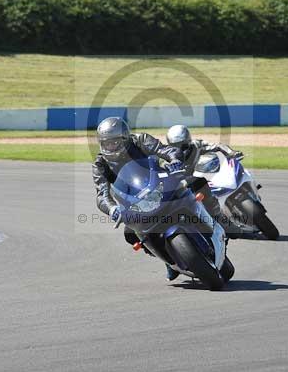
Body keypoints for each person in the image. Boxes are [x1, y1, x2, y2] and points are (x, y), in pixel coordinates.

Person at [92, 117, 185, 280]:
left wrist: (175, 160)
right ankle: (168, 261)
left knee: (194, 184)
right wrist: (112, 208)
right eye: (106, 143)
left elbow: (165, 150)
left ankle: (217, 219)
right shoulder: (100, 164)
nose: (110, 146)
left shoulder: (141, 140)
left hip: (161, 184)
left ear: (125, 138)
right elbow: (102, 194)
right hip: (135, 202)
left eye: (114, 142)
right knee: (131, 234)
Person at [165, 124, 244, 238]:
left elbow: (218, 146)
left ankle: (221, 219)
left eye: (183, 145)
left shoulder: (197, 145)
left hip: (201, 178)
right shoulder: (167, 157)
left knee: (204, 188)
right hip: (181, 187)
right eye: (175, 146)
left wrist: (231, 152)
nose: (180, 149)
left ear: (189, 140)